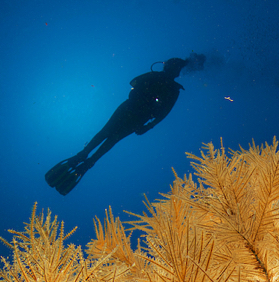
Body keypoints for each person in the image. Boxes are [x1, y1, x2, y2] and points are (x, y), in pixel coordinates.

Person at [45, 58, 188, 195]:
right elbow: (164, 113)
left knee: (106, 133)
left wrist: (149, 86)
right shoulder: (173, 89)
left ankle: (84, 155)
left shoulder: (165, 83)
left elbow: (134, 83)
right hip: (139, 116)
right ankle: (89, 160)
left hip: (130, 109)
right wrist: (149, 125)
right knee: (112, 138)